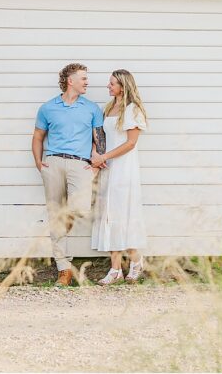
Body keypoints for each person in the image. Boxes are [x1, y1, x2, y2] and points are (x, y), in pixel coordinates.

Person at [31, 62, 104, 287]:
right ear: (70, 80)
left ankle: (64, 229)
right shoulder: (47, 108)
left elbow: (99, 138)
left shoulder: (92, 108)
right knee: (55, 215)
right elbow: (37, 137)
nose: (87, 82)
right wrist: (38, 163)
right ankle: (63, 268)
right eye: (83, 78)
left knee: (79, 207)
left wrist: (95, 165)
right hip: (52, 163)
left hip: (80, 165)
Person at [90, 69, 149, 284]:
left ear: (123, 86)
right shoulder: (109, 108)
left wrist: (105, 155)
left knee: (124, 213)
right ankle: (115, 269)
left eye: (112, 83)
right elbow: (101, 137)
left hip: (124, 169)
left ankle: (136, 261)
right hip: (108, 168)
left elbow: (131, 143)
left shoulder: (132, 110)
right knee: (108, 214)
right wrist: (96, 155)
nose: (108, 86)